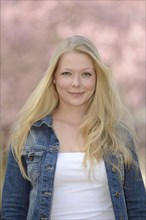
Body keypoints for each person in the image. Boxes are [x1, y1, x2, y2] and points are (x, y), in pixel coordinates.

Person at [1, 35, 146, 220]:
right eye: (66, 73)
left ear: (97, 79)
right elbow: (13, 208)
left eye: (86, 74)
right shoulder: (28, 134)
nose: (76, 83)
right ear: (53, 77)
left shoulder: (118, 135)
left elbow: (138, 208)